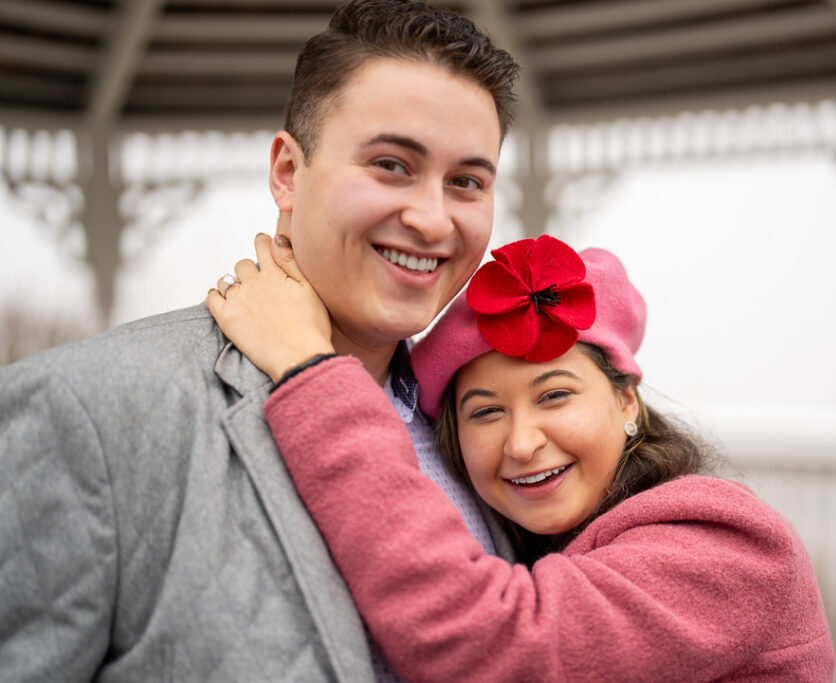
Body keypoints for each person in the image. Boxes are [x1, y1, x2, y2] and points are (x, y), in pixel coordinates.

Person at [0, 1, 518, 680]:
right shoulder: (89, 409)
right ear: (286, 172)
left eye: (467, 182)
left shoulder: (491, 435)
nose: (430, 218)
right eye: (391, 164)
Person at [209, 234, 836, 682]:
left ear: (626, 401)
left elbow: (497, 649)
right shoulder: (536, 542)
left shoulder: (730, 546)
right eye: (484, 411)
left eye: (555, 395)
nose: (521, 442)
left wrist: (310, 370)